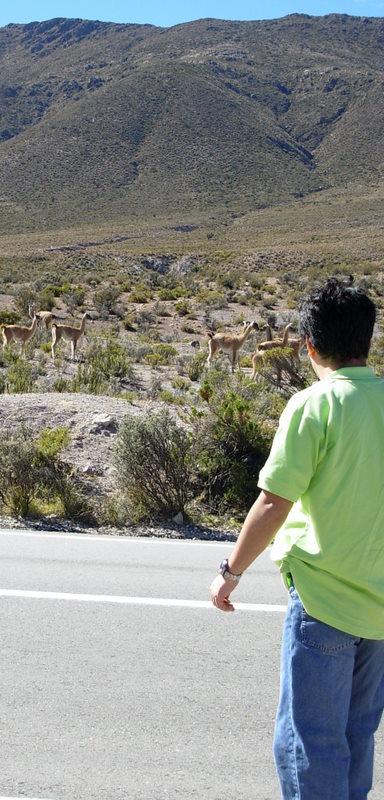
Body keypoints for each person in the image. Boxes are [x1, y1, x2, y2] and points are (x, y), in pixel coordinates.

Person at [210, 276, 384, 800]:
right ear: (368, 341)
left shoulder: (314, 406)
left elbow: (273, 502)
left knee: (310, 744)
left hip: (323, 600)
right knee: (357, 738)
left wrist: (229, 573)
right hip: (380, 612)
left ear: (309, 345)